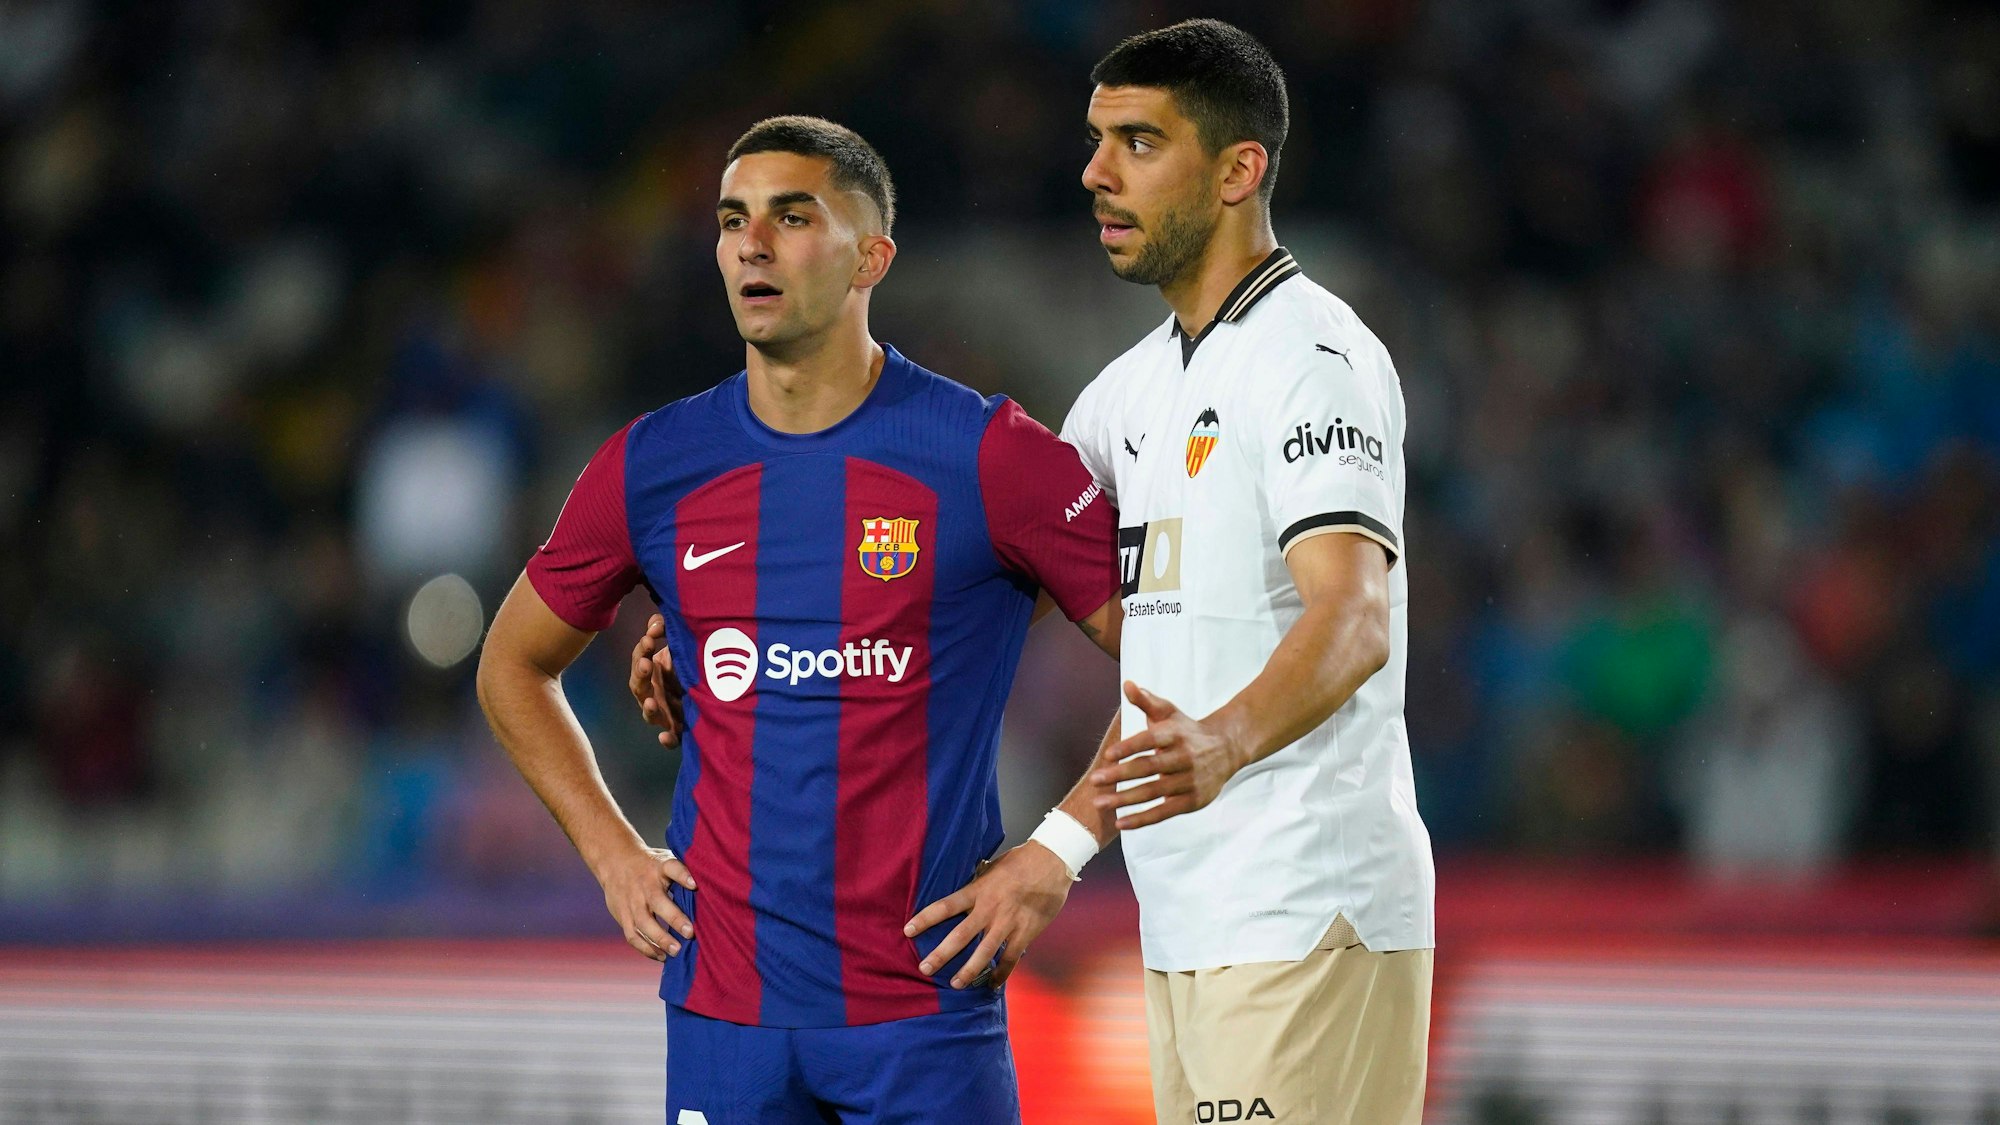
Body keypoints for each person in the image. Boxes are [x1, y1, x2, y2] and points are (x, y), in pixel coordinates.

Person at [634, 21, 1434, 1121]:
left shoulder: (1312, 361)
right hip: (1190, 916)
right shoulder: (1123, 396)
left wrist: (1226, 741)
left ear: (1238, 170)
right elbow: (966, 568)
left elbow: (1354, 618)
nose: (1094, 171)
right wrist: (717, 619)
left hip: (1310, 904)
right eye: (1096, 139)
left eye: (1138, 142)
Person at [476, 115, 1120, 1125]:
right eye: (734, 220)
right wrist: (610, 853)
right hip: (723, 1015)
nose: (752, 245)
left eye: (790, 216)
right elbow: (512, 665)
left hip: (923, 1013)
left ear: (871, 256)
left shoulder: (988, 456)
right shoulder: (654, 464)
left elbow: (1184, 661)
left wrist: (1058, 852)